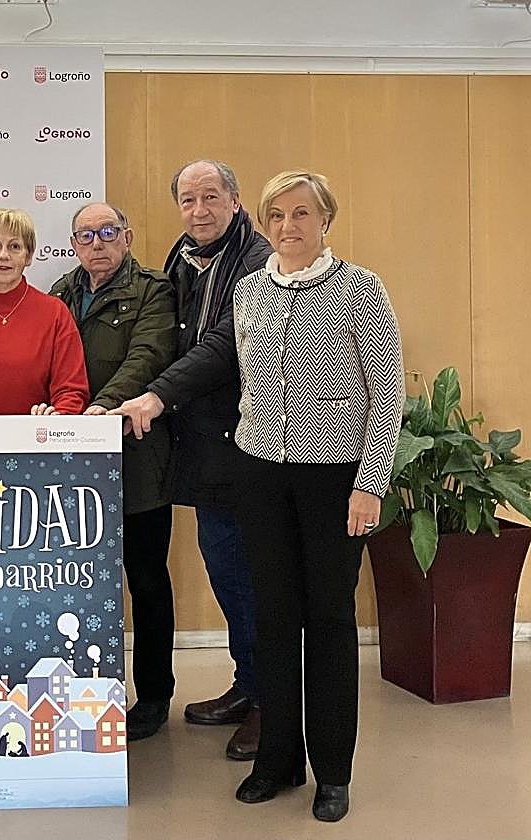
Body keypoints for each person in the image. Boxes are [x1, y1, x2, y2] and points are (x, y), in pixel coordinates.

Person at [231, 171, 402, 822]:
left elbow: (387, 395)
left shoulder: (360, 288)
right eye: (276, 215)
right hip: (260, 473)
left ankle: (333, 770)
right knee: (272, 617)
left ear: (325, 219)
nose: (287, 226)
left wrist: (370, 481)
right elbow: (249, 380)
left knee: (328, 621)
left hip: (336, 478)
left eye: (302, 214)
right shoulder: (249, 291)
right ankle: (277, 759)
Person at [110, 160, 272, 761]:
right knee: (226, 571)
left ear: (235, 199)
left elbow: (225, 344)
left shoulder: (255, 261)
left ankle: (268, 701)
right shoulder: (183, 258)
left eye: (210, 197)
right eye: (187, 199)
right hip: (202, 448)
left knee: (250, 578)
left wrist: (157, 393)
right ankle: (248, 683)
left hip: (248, 444)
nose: (198, 210)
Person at [49, 202, 178, 741]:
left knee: (145, 579)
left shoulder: (154, 289)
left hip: (137, 454)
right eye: (85, 235)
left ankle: (153, 694)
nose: (96, 243)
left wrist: (98, 409)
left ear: (126, 235)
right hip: (70, 463)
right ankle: (84, 693)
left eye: (107, 232)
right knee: (74, 584)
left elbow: (148, 356)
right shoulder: (58, 293)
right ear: (73, 244)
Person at [0, 208, 88, 415]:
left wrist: (58, 418)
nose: (4, 256)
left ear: (28, 256)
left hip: (34, 442)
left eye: (14, 247)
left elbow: (71, 389)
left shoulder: (55, 312)